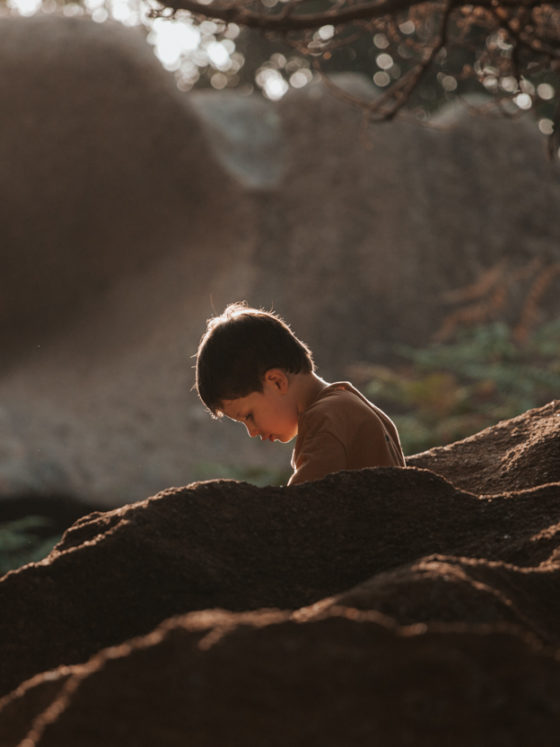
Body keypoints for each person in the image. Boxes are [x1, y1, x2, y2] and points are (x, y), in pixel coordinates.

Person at [195, 302, 405, 485]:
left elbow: (300, 508)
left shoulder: (325, 419)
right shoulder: (351, 405)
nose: (251, 431)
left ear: (277, 382)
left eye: (249, 416)